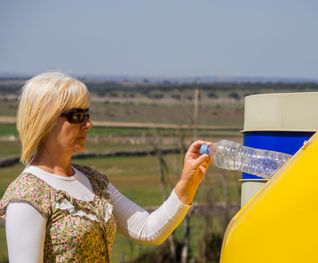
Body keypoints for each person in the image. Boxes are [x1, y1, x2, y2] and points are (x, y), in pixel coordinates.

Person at [0, 72, 212, 262]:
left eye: (87, 114)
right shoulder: (27, 195)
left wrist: (189, 182)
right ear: (44, 121)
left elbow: (148, 230)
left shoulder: (93, 181)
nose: (88, 124)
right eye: (77, 116)